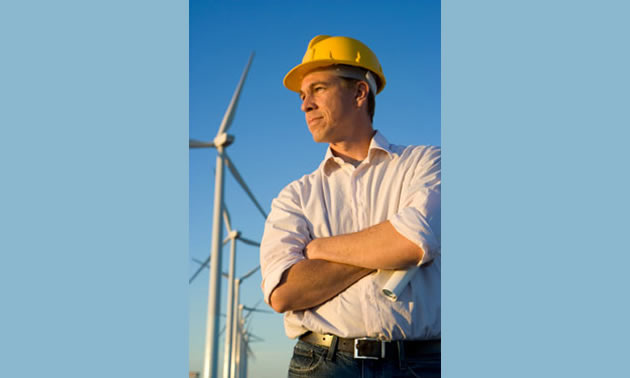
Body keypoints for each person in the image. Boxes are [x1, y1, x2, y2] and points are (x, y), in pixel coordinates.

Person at [260, 35, 441, 377]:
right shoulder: (294, 196)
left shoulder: (427, 163)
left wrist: (318, 250)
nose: (305, 105)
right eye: (302, 95)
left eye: (317, 89)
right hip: (322, 363)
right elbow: (284, 293)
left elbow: (412, 240)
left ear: (359, 93)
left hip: (421, 364)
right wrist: (384, 248)